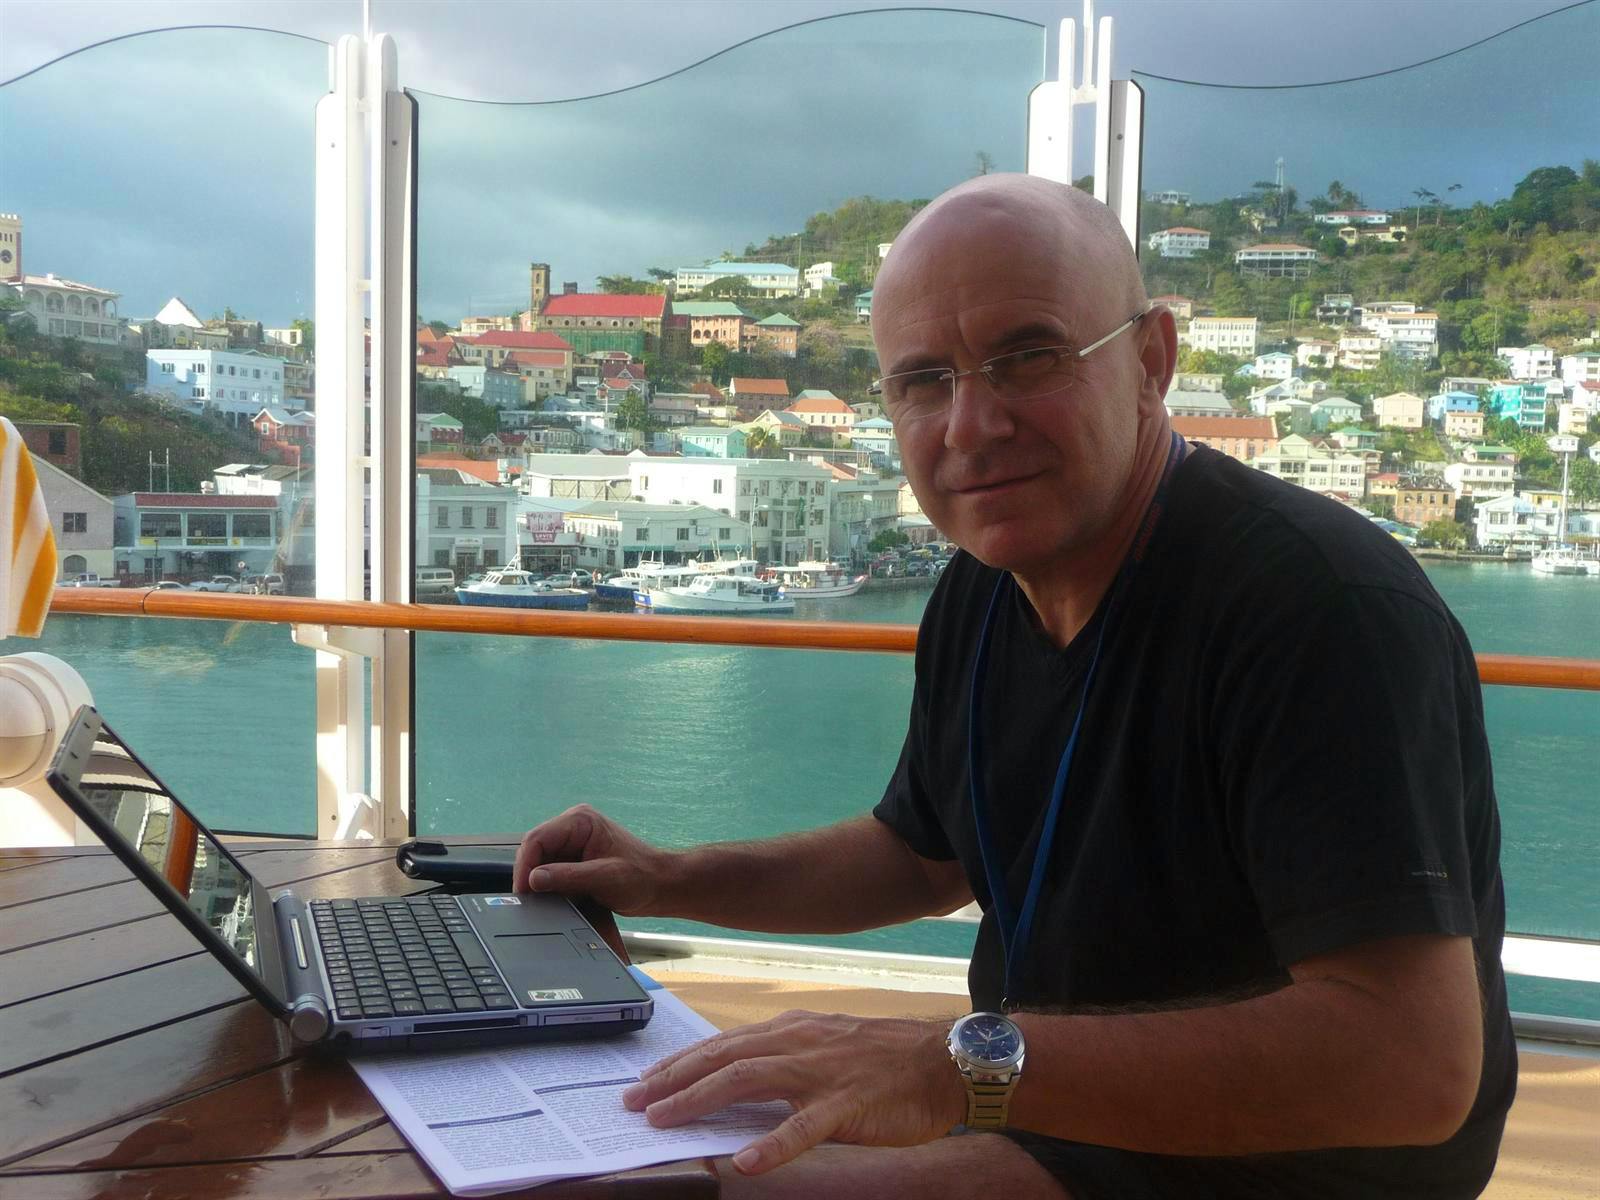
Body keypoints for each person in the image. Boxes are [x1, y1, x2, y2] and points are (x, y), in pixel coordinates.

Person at [515, 175, 1514, 1200]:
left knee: (688, 1194)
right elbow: (920, 854)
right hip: (1044, 1107)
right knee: (627, 1159)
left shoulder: (1315, 607)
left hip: (1279, 1165)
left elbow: (1413, 1068)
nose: (970, 426)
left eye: (1026, 357)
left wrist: (947, 1066)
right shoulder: (986, 586)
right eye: (922, 381)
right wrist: (665, 878)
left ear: (1150, 362)